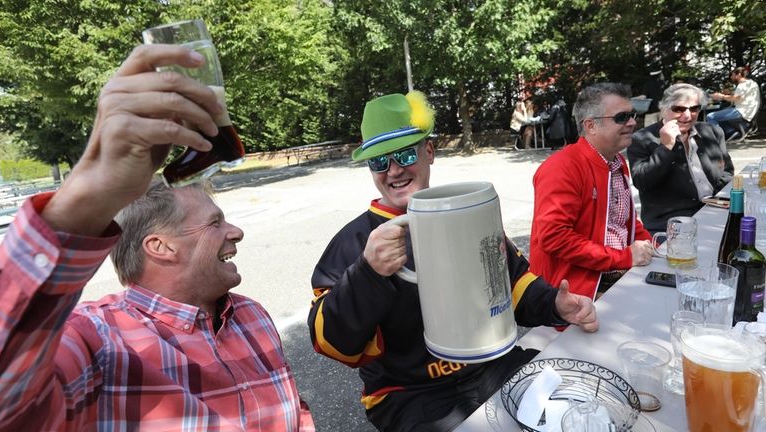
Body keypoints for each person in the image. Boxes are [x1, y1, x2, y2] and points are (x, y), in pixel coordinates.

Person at [0, 45, 314, 431]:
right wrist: (87, 197)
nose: (236, 232)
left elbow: (295, 413)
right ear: (160, 247)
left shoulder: (250, 315)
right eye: (215, 223)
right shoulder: (98, 339)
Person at [307, 91, 598, 432]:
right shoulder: (354, 242)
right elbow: (329, 342)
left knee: (578, 409)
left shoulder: (466, 213)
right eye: (379, 161)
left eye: (403, 154)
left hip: (493, 364)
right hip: (410, 394)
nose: (394, 170)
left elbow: (512, 284)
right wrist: (367, 274)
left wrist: (555, 304)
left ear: (429, 152)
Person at [529, 83, 654, 299]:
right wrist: (624, 258)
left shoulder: (617, 161)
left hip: (617, 272)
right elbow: (554, 238)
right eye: (621, 117)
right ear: (590, 126)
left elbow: (626, 222)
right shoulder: (563, 167)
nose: (633, 122)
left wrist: (655, 246)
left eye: (632, 114)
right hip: (578, 291)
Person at [628, 83, 735, 234]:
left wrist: (718, 202)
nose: (687, 115)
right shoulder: (642, 139)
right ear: (664, 108)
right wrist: (666, 147)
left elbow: (727, 172)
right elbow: (642, 182)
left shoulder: (712, 132)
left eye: (694, 109)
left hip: (715, 213)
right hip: (671, 225)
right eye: (679, 109)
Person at [708, 66, 762, 138]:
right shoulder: (752, 83)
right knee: (722, 113)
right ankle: (733, 133)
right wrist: (728, 94)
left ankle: (716, 139)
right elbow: (742, 97)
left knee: (711, 116)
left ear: (739, 74)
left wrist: (721, 96)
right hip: (749, 112)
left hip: (741, 111)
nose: (731, 77)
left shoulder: (742, 85)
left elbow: (735, 98)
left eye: (733, 75)